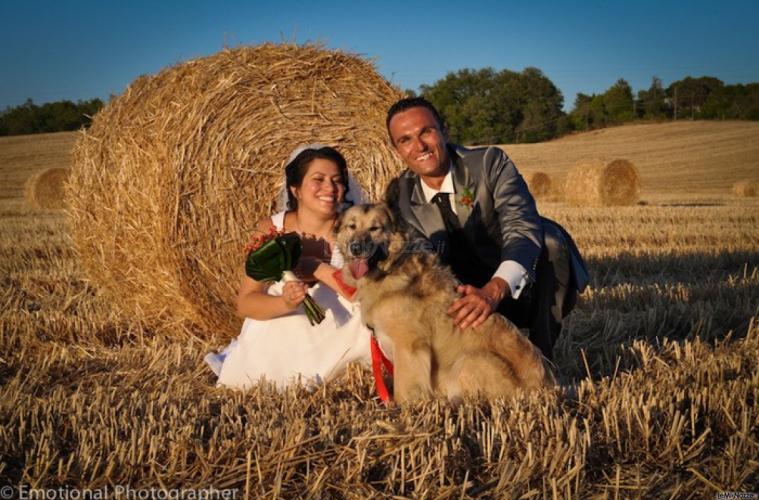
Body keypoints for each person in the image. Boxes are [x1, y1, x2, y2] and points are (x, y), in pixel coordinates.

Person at [385, 97, 588, 361]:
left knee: (549, 239)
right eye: (405, 140)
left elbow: (521, 226)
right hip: (459, 296)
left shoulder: (489, 163)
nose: (419, 146)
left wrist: (493, 291)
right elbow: (420, 262)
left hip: (519, 287)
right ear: (396, 150)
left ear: (444, 131)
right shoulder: (400, 195)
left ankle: (543, 353)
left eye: (426, 131)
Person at [205, 145, 371, 389]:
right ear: (296, 190)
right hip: (283, 323)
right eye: (318, 179)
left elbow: (363, 293)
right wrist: (285, 302)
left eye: (337, 181)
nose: (330, 188)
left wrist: (315, 267)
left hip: (340, 330)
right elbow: (245, 303)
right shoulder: (271, 229)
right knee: (250, 376)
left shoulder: (355, 230)